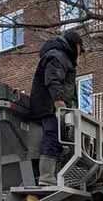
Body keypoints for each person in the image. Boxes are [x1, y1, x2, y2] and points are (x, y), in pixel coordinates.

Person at [27, 28, 83, 185]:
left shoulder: (60, 57)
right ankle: (46, 177)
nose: (80, 54)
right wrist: (59, 104)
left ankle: (54, 174)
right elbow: (53, 80)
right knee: (53, 136)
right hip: (48, 106)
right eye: (80, 50)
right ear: (75, 46)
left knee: (59, 138)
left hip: (51, 106)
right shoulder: (58, 57)